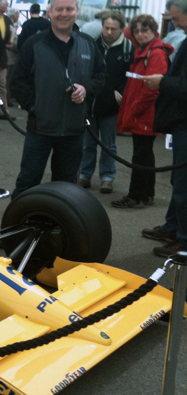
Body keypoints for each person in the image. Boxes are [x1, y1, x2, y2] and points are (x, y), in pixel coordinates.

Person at [9, 0, 106, 199]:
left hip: (73, 130)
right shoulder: (34, 45)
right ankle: (19, 227)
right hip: (40, 128)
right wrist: (35, 107)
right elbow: (17, 82)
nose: (64, 14)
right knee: (28, 182)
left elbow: (101, 76)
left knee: (65, 187)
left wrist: (86, 89)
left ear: (76, 12)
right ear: (50, 12)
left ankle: (57, 226)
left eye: (69, 9)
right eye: (59, 9)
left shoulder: (88, 44)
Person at [141, 0, 187, 256]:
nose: (175, 25)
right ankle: (173, 227)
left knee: (183, 184)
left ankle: (184, 240)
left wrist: (162, 82)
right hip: (180, 123)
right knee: (177, 180)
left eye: (179, 19)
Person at [112, 14, 173, 209]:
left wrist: (134, 110)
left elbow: (151, 90)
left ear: (154, 31)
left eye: (145, 30)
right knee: (146, 153)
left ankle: (135, 196)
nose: (139, 34)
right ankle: (147, 193)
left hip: (145, 112)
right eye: (137, 31)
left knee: (140, 155)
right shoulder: (145, 51)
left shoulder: (154, 53)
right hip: (145, 112)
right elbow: (127, 32)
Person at [78, 10, 133, 194]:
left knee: (109, 144)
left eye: (114, 29)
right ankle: (85, 175)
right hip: (91, 103)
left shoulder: (128, 49)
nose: (109, 32)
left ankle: (107, 177)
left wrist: (120, 95)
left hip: (112, 105)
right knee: (88, 143)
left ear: (122, 29)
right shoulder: (93, 45)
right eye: (106, 28)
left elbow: (131, 77)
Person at [5, 8, 20, 107]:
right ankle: (6, 100)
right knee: (7, 81)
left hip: (7, 57)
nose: (18, 17)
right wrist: (16, 47)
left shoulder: (8, 25)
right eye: (18, 15)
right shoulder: (10, 27)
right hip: (9, 57)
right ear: (13, 16)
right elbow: (9, 43)